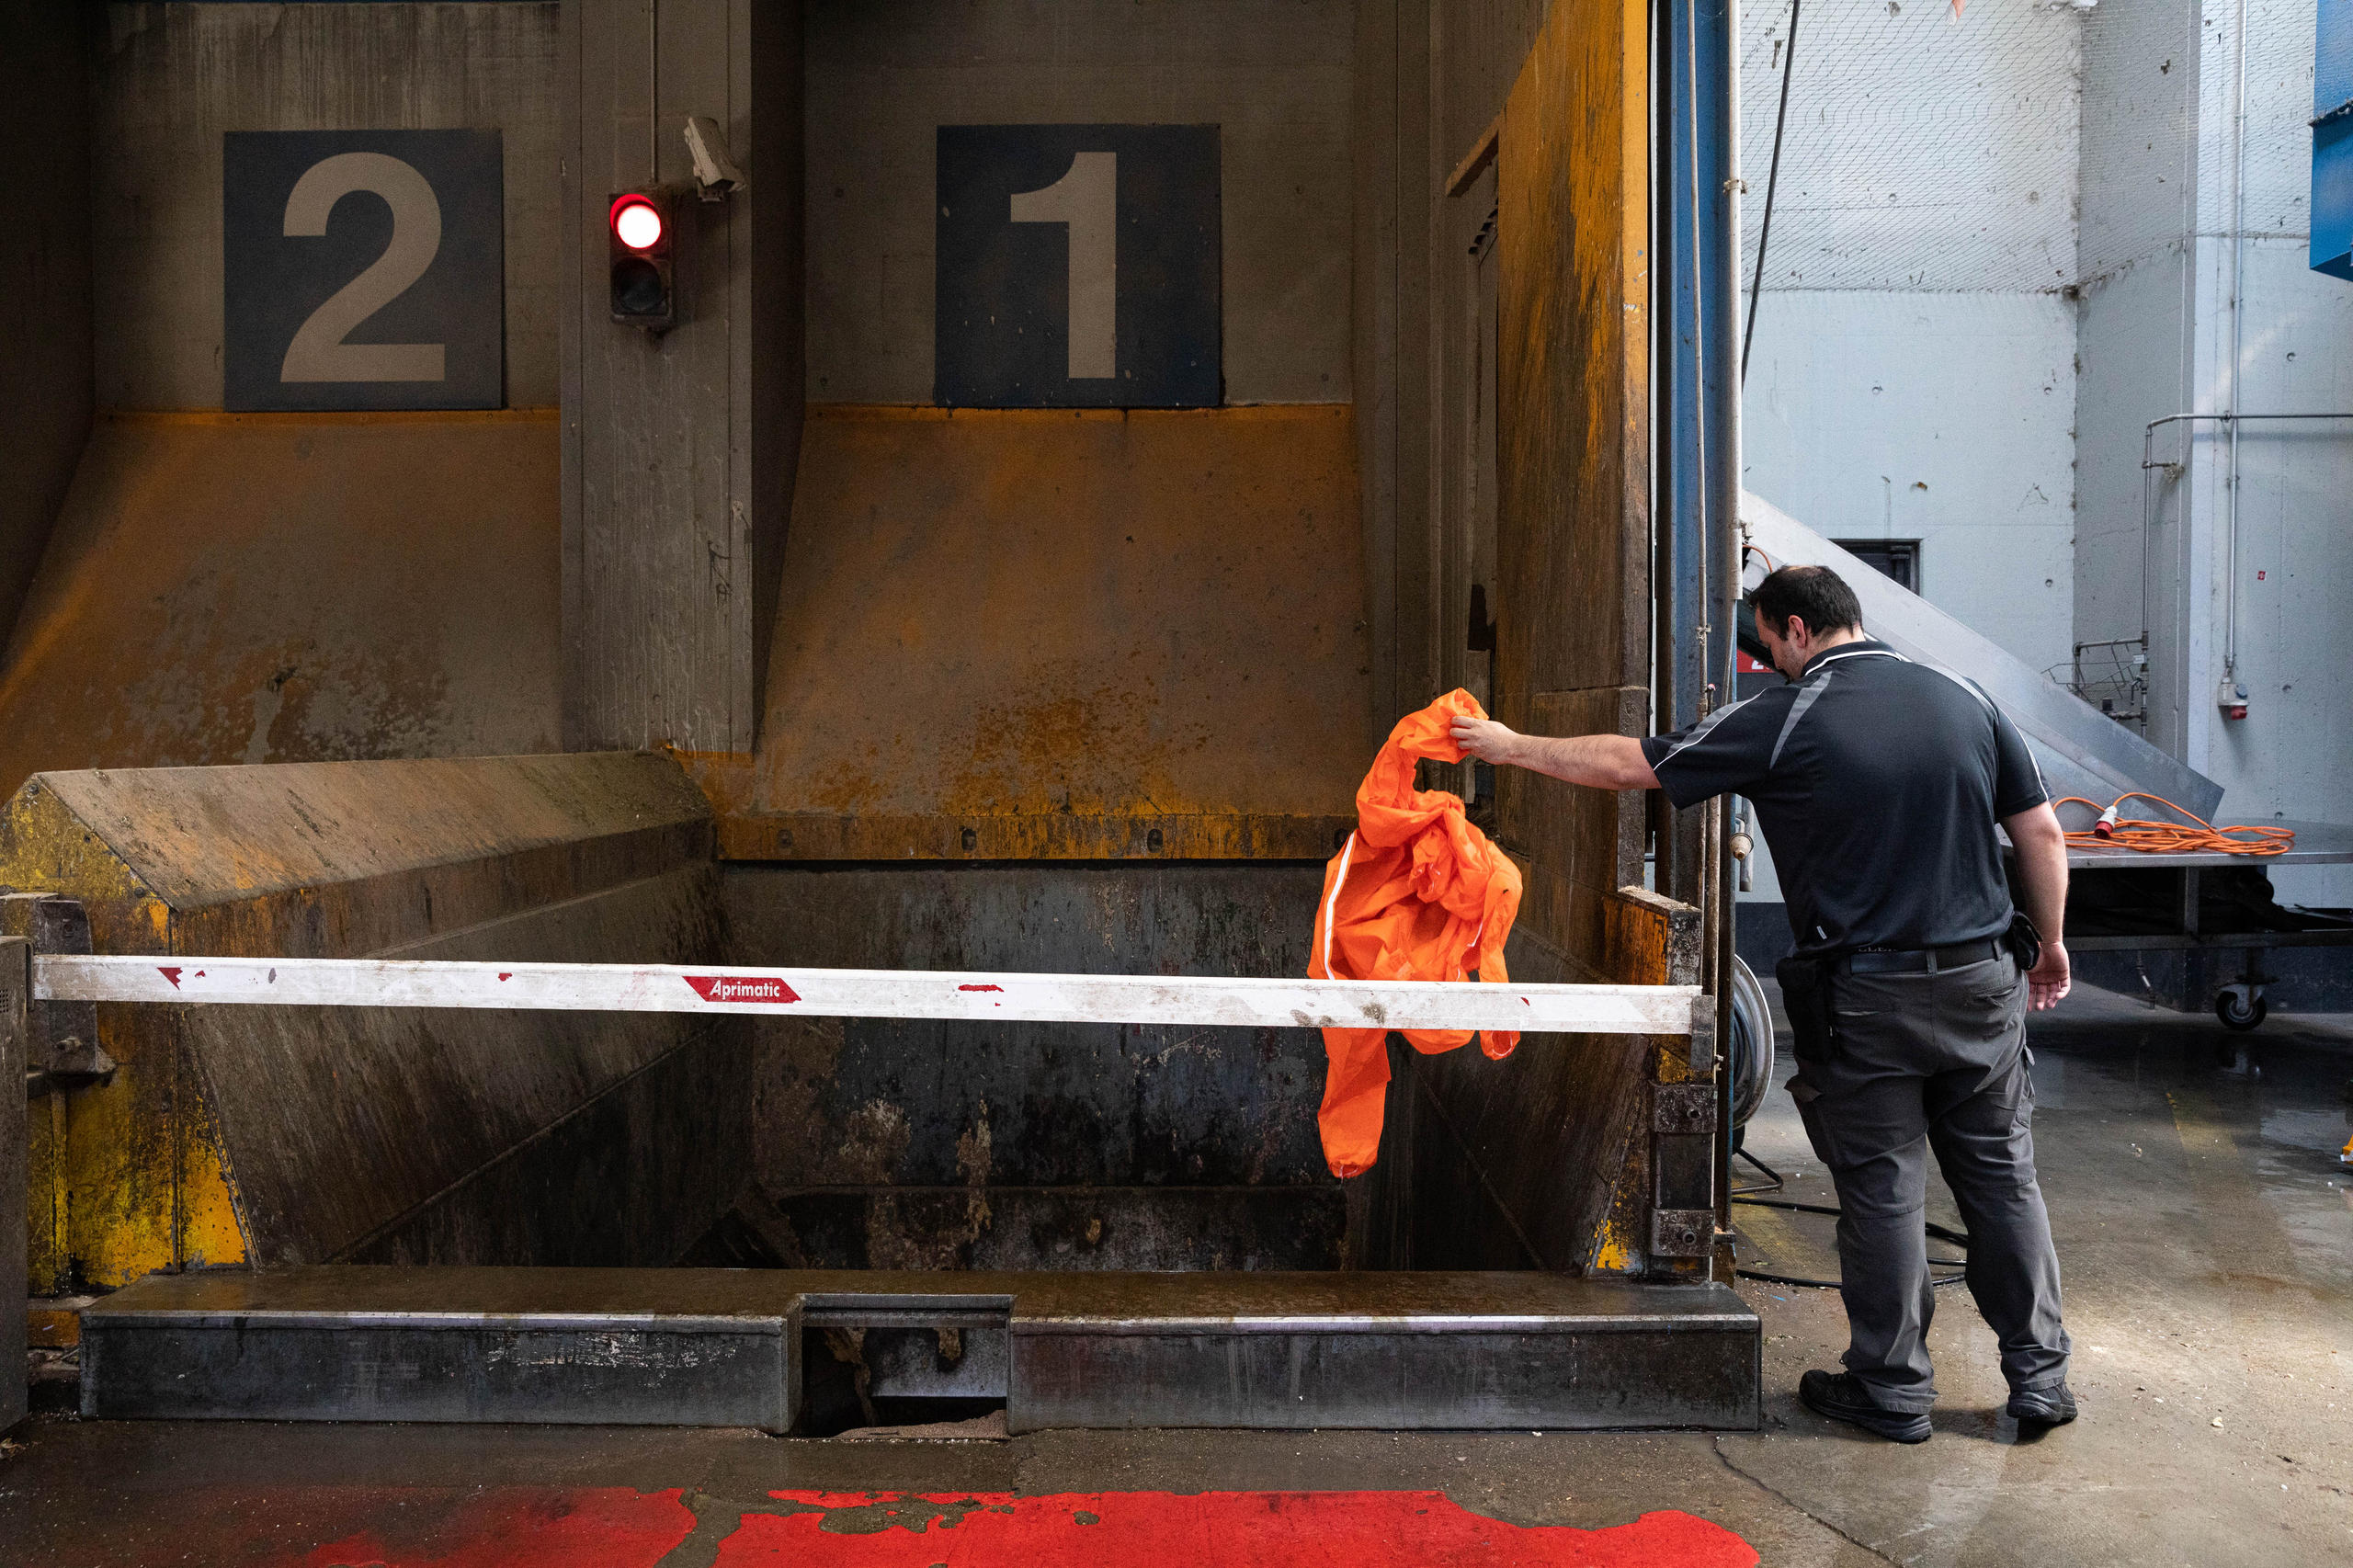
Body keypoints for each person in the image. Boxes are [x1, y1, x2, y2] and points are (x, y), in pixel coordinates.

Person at [1449, 562, 2076, 1444]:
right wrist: (2048, 944)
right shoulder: (1962, 694)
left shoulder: (1790, 715)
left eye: (1767, 642)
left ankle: (1894, 1391)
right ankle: (2040, 1380)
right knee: (2004, 1179)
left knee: (1884, 1188)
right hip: (1982, 983)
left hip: (1868, 999)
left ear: (1789, 630)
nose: (1769, 658)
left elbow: (1635, 764)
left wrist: (1510, 745)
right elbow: (2041, 832)